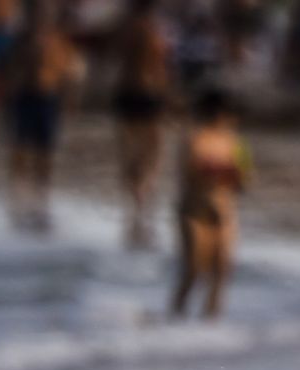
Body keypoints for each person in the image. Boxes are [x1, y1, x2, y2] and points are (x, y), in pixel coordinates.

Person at [172, 88, 248, 318]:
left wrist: (228, 174)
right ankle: (176, 319)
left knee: (222, 271)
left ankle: (210, 325)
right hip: (194, 211)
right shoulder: (195, 138)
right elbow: (190, 174)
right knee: (194, 271)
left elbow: (244, 179)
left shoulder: (234, 142)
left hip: (224, 210)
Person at [2, 11, 80, 232]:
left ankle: (41, 195)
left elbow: (68, 72)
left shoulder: (57, 41)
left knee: (44, 151)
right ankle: (19, 193)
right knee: (21, 148)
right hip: (27, 98)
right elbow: (11, 70)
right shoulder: (22, 41)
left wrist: (69, 100)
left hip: (47, 98)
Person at [113, 0, 171, 250]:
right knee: (152, 156)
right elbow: (159, 70)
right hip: (148, 95)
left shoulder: (125, 31)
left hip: (126, 95)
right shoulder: (154, 34)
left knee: (129, 154)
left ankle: (133, 212)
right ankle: (142, 207)